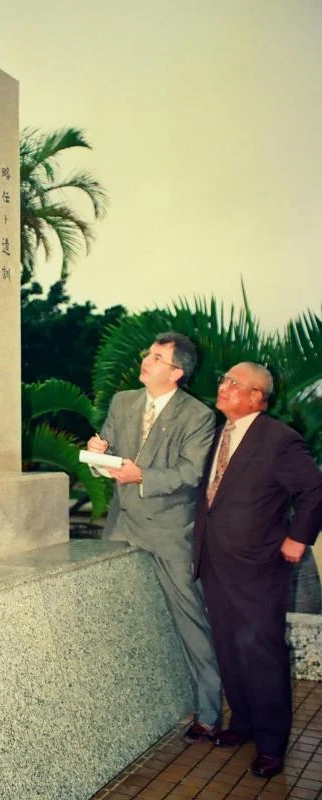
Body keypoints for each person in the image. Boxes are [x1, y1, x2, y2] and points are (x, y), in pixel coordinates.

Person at [88, 331, 222, 743]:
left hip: (169, 532)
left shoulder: (197, 416)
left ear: (177, 372)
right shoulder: (123, 402)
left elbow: (190, 474)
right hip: (122, 526)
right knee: (113, 618)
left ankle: (210, 713)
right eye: (149, 352)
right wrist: (97, 453)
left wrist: (141, 474)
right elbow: (106, 457)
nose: (146, 359)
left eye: (158, 357)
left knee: (191, 624)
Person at [193, 362, 322, 779]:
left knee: (262, 653)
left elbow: (314, 489)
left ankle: (271, 744)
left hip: (258, 566)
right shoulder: (220, 433)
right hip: (215, 559)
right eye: (223, 379)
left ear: (256, 396)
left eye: (234, 383)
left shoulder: (279, 439)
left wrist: (297, 539)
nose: (224, 386)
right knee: (230, 647)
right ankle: (243, 723)